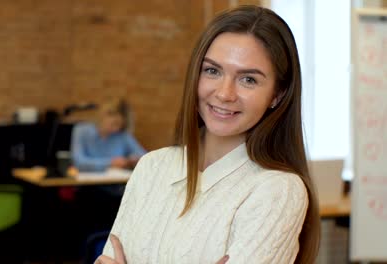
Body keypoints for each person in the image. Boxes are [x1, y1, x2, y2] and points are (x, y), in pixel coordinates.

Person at [96, 5, 320, 264]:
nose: (225, 93)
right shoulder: (151, 167)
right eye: (212, 71)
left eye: (248, 79)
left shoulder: (278, 191)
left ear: (277, 95)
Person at [70, 98, 146, 172]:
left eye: (121, 126)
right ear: (105, 115)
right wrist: (110, 163)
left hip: (116, 182)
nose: (116, 129)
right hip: (86, 183)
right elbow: (78, 163)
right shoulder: (81, 130)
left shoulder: (122, 134)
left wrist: (133, 159)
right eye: (115, 123)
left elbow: (144, 157)